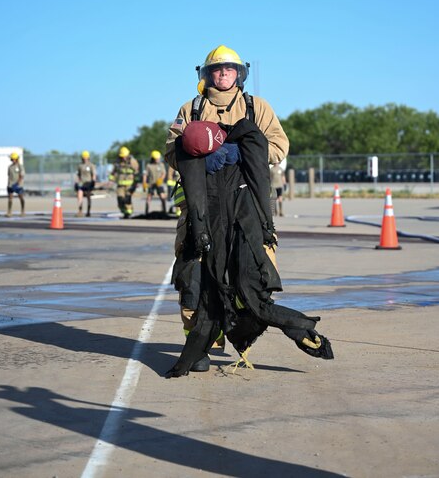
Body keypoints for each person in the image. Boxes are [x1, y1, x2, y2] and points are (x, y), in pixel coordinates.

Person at [165, 45, 333, 376]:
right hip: (201, 209)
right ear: (207, 74)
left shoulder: (257, 107)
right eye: (217, 70)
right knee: (193, 278)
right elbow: (172, 151)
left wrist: (242, 150)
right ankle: (202, 344)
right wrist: (201, 153)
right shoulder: (192, 109)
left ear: (240, 73)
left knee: (252, 277)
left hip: (247, 208)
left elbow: (279, 146)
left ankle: (240, 329)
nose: (223, 74)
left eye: (229, 69)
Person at [109, 146, 139, 218]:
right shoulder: (117, 162)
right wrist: (111, 179)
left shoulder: (132, 161)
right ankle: (123, 210)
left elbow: (137, 172)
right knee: (120, 198)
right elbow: (113, 172)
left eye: (124, 156)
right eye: (122, 156)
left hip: (130, 184)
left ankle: (128, 212)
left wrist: (135, 183)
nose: (123, 158)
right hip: (120, 184)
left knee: (127, 199)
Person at [143, 150, 167, 215]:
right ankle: (146, 212)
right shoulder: (148, 165)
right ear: (153, 158)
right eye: (157, 158)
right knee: (149, 197)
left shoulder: (161, 165)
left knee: (162, 197)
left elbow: (164, 173)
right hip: (151, 184)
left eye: (158, 158)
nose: (158, 159)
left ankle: (164, 211)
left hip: (159, 184)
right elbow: (145, 175)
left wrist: (161, 179)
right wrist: (144, 183)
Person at [75, 150, 97, 217]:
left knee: (88, 196)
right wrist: (76, 182)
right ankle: (80, 210)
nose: (85, 158)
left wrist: (93, 182)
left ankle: (88, 211)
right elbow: (78, 175)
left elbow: (93, 174)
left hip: (88, 183)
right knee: (79, 194)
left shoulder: (91, 165)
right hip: (82, 183)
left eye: (86, 157)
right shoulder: (80, 166)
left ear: (88, 157)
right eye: (83, 157)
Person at [7, 152, 25, 217]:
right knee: (10, 199)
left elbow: (21, 176)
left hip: (18, 185)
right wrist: (10, 184)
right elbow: (9, 175)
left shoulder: (20, 166)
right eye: (11, 159)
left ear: (16, 159)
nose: (11, 159)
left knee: (21, 198)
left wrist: (17, 183)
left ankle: (22, 211)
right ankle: (9, 212)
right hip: (10, 185)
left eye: (12, 158)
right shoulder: (10, 167)